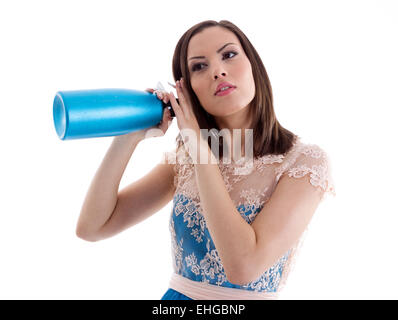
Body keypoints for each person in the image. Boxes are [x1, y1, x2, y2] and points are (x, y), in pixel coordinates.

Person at [76, 20, 336, 300]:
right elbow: (93, 227)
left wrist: (200, 151)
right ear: (187, 90)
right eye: (199, 66)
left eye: (229, 55)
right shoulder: (185, 160)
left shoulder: (303, 163)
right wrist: (128, 137)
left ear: (254, 66)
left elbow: (244, 267)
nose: (218, 71)